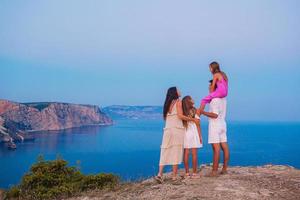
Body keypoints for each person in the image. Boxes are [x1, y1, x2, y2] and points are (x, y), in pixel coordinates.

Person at [155, 87, 199, 183]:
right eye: (178, 89)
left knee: (165, 150)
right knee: (176, 151)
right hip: (177, 129)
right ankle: (174, 176)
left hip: (167, 130)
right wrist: (192, 119)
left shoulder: (167, 104)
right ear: (175, 92)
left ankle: (159, 174)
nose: (180, 90)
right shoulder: (178, 102)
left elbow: (166, 118)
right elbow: (180, 116)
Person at [199, 80, 230, 176]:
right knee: (224, 147)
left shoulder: (214, 100)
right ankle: (224, 169)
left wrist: (202, 112)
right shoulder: (223, 99)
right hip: (222, 124)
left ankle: (214, 171)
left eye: (210, 86)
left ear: (215, 87)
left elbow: (215, 115)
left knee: (216, 148)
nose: (209, 88)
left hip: (215, 125)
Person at [182, 96, 203, 178]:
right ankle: (194, 173)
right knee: (194, 154)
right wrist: (200, 136)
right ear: (189, 101)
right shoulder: (195, 110)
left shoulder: (183, 111)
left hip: (186, 132)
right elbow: (198, 124)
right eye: (191, 98)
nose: (193, 99)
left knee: (186, 153)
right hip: (194, 132)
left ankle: (187, 173)